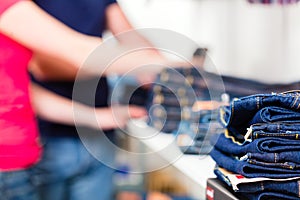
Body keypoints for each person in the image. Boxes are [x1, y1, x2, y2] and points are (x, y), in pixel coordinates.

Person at [0, 0, 189, 199]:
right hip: (22, 160)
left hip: (24, 159)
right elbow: (76, 53)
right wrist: (172, 66)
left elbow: (19, 90)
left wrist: (95, 117)